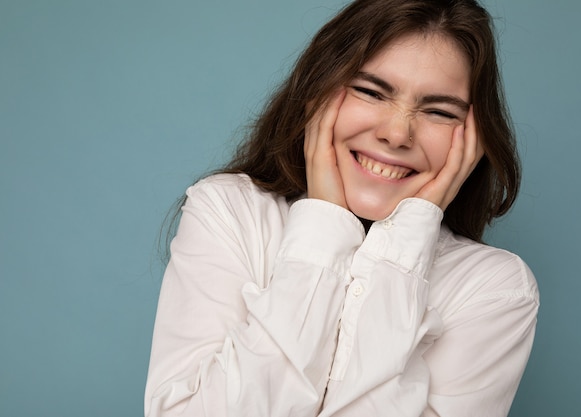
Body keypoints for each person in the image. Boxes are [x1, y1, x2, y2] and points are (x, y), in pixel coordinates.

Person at [144, 0, 539, 415]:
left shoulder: (496, 289)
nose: (397, 132)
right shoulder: (229, 211)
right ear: (317, 93)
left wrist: (404, 249)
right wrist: (322, 229)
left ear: (473, 140)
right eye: (371, 92)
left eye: (438, 111)